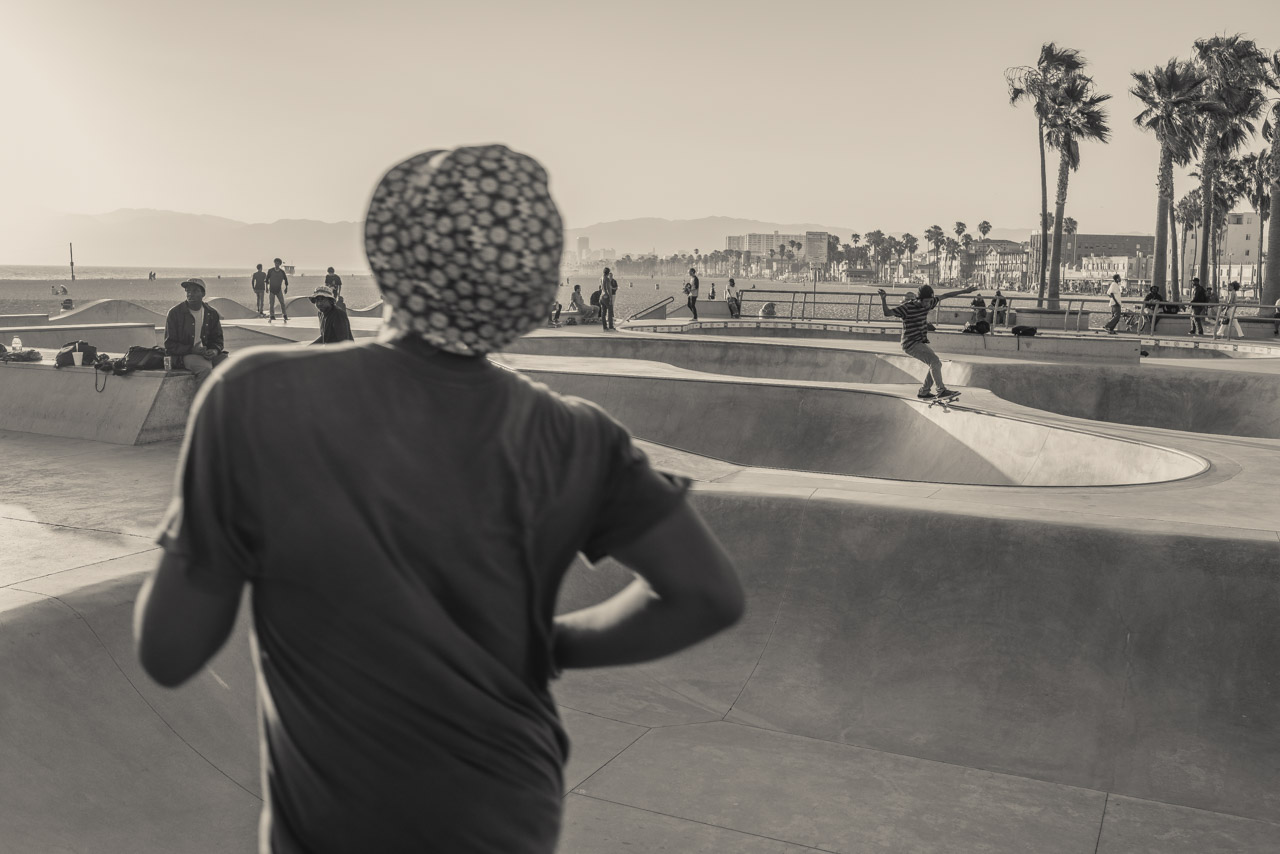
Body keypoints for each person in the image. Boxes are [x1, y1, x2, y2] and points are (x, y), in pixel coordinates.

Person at [134, 143, 744, 854]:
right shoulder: (576, 436)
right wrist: (553, 644)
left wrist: (216, 522)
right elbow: (707, 594)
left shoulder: (258, 396)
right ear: (527, 283)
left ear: (388, 253)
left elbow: (171, 650)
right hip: (509, 813)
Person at [877, 283, 977, 400]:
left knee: (936, 363)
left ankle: (924, 391)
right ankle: (941, 390)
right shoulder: (907, 308)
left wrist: (965, 291)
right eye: (925, 302)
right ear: (918, 299)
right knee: (934, 362)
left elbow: (946, 295)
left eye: (929, 301)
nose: (927, 305)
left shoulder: (929, 303)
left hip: (919, 342)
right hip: (910, 344)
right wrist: (883, 299)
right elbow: (887, 313)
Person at [163, 278, 227, 382]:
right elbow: (169, 345)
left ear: (203, 294)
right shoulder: (175, 313)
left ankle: (227, 398)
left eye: (195, 291)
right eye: (188, 291)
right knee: (205, 370)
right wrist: (192, 350)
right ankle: (202, 398)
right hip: (183, 355)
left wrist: (214, 351)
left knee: (232, 368)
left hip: (206, 355)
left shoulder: (211, 313)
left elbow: (218, 339)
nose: (190, 294)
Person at [266, 257, 290, 321]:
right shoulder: (270, 271)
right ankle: (272, 316)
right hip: (272, 290)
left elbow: (286, 280)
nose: (276, 264)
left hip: (279, 290)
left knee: (282, 303)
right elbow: (267, 280)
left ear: (280, 264)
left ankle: (284, 315)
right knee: (271, 303)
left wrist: (286, 288)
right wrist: (266, 288)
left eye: (278, 263)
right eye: (275, 263)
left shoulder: (282, 272)